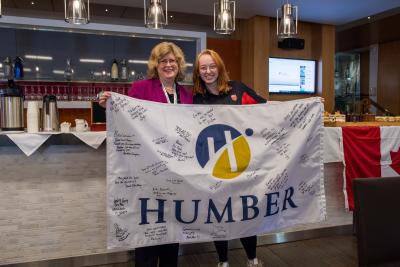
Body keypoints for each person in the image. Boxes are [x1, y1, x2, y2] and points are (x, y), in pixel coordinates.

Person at [99, 42, 192, 267]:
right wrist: (108, 104)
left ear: (179, 65)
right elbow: (125, 115)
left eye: (173, 61)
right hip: (147, 173)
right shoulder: (142, 88)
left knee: (172, 229)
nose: (168, 65)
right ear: (156, 65)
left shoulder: (187, 95)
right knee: (149, 228)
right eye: (163, 61)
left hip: (176, 174)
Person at [192, 49, 265, 267]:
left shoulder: (238, 88)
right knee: (218, 215)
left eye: (212, 66)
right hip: (213, 166)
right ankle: (223, 262)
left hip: (241, 163)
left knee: (245, 214)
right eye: (203, 67)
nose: (208, 71)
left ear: (219, 67)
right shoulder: (196, 98)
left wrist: (304, 105)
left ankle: (252, 259)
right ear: (198, 72)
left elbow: (266, 110)